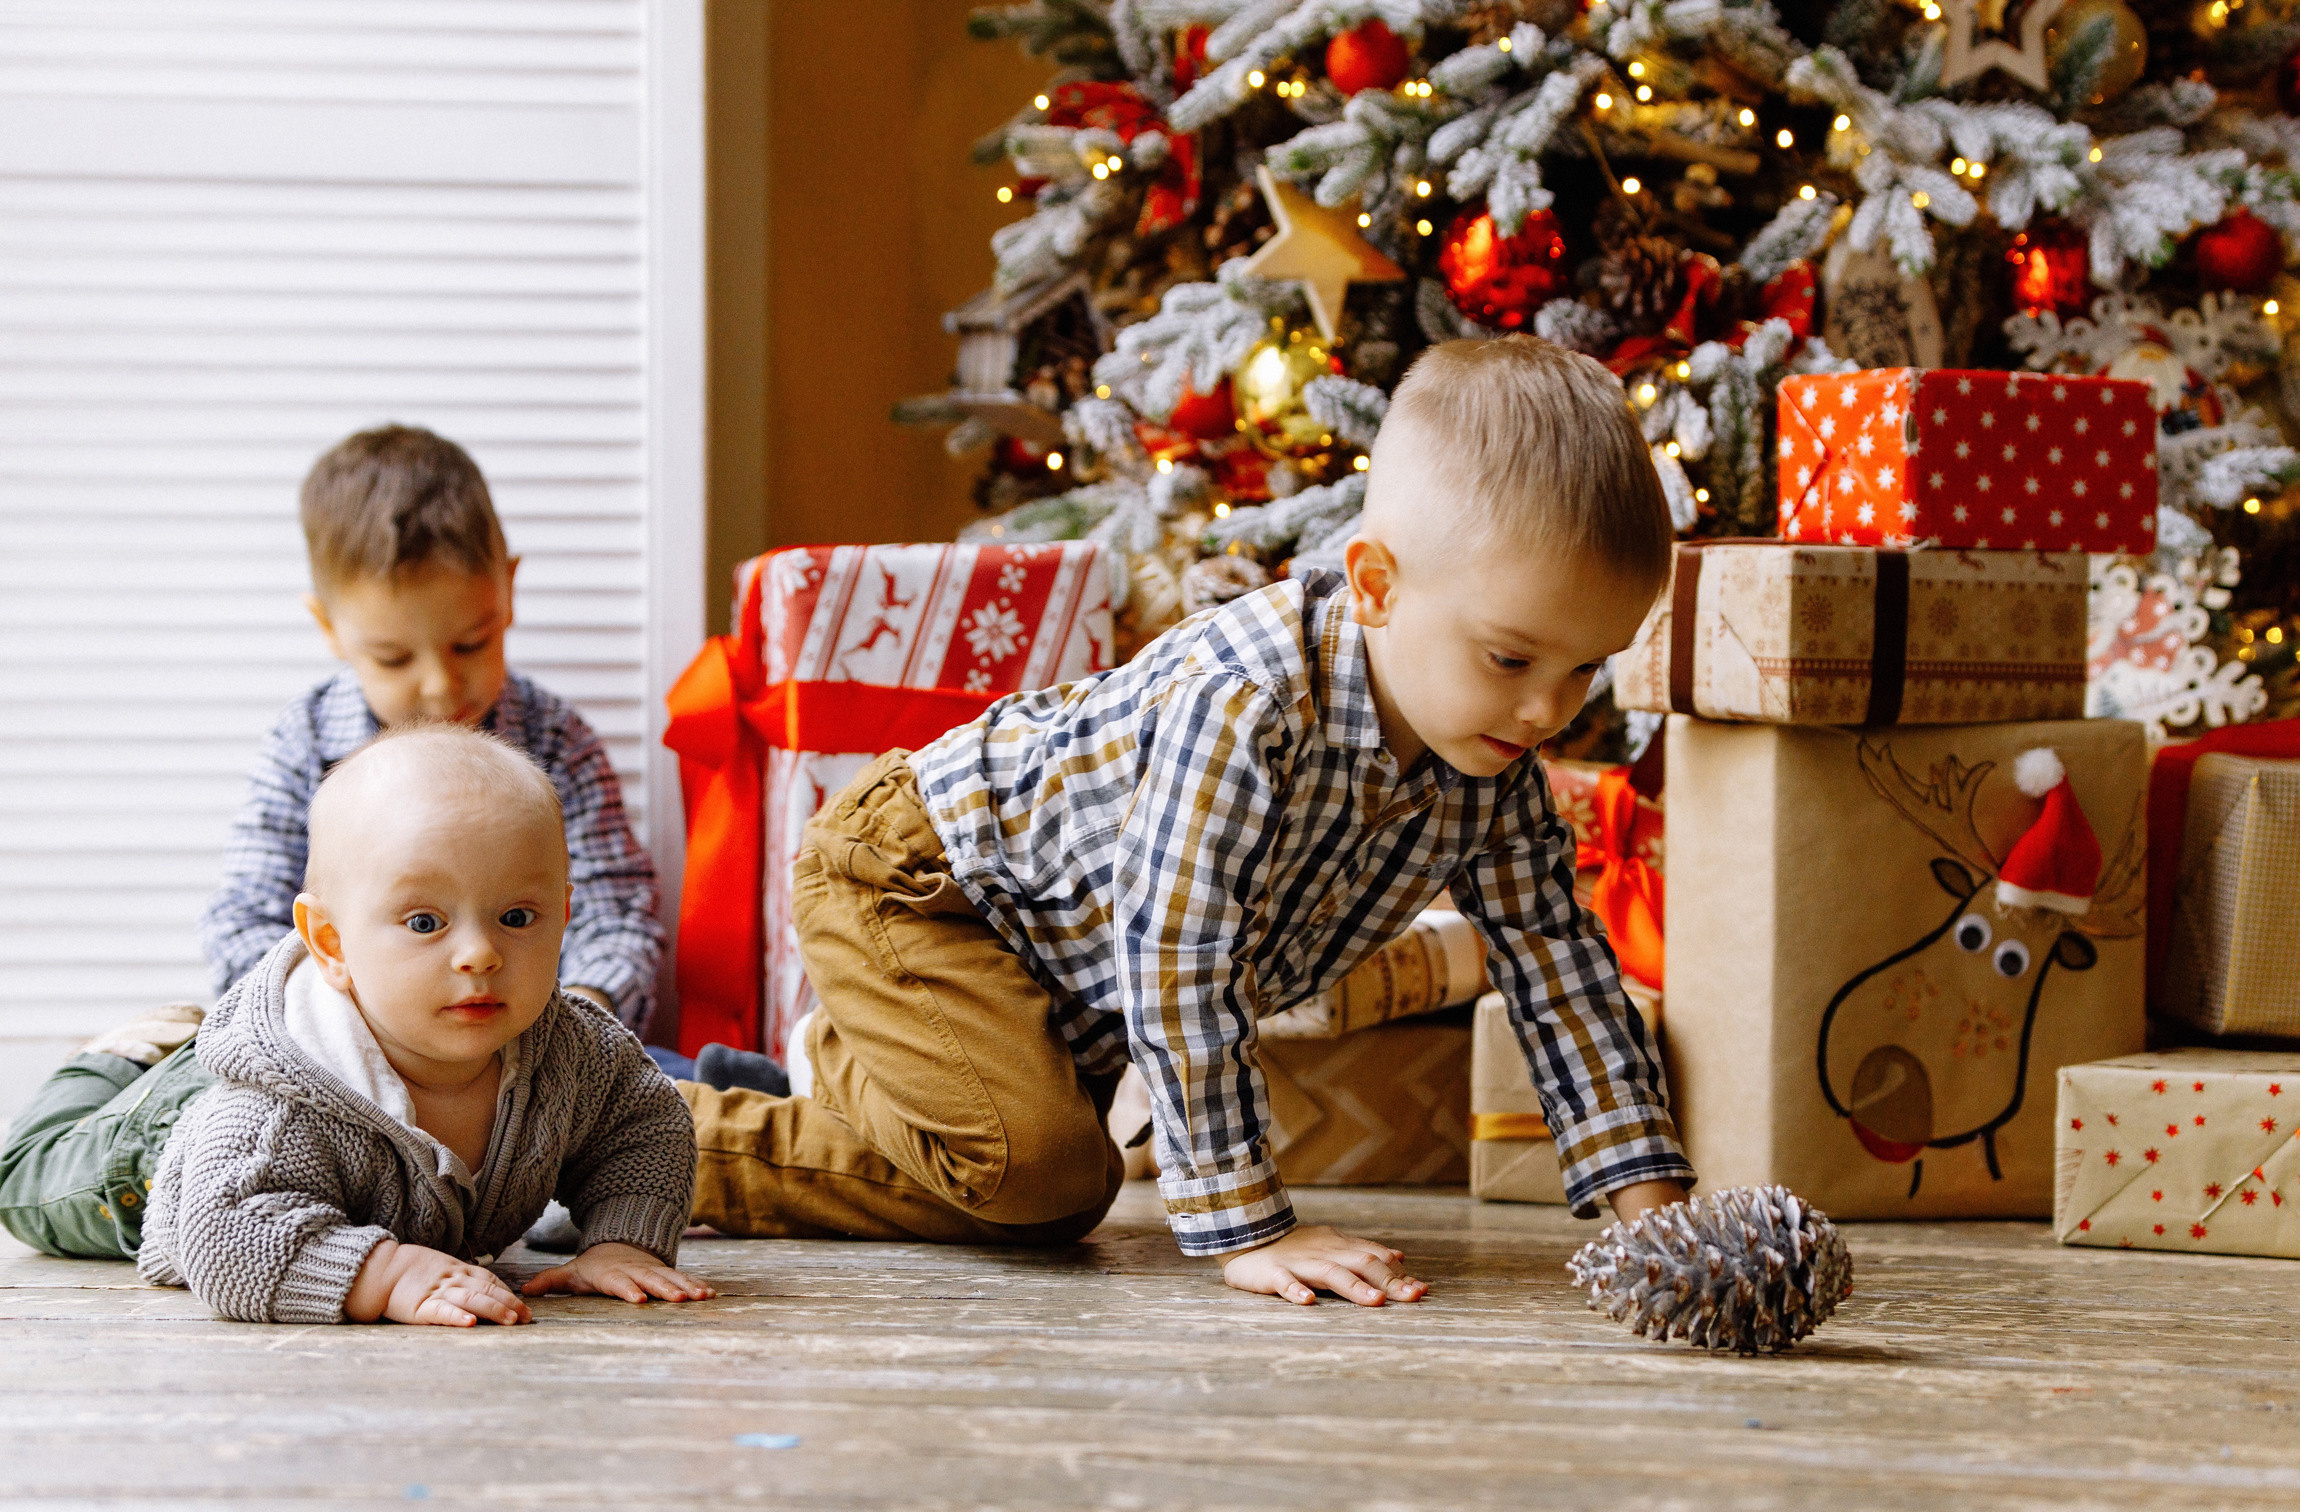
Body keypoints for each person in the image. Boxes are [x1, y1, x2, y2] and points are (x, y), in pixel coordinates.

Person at [678, 335, 1695, 1305]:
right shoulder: (1246, 701)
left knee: (1029, 1178)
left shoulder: (1490, 761)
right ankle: (653, 1133)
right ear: (1376, 587)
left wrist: (1650, 1212)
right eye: (1511, 659)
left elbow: (1556, 964)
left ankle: (859, 1073)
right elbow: (1176, 957)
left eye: (1582, 669)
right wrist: (1251, 1228)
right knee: (1042, 1183)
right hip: (917, 884)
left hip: (1046, 971)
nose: (1546, 711)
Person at [0, 724, 712, 1326]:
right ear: (333, 944)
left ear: (563, 913)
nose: (480, 953)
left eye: (517, 917)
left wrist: (625, 1241)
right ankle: (107, 1062)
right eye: (425, 921)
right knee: (23, 1179)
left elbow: (645, 1125)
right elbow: (221, 1239)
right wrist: (386, 1272)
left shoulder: (576, 1053)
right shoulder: (275, 1117)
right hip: (148, 1162)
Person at [196, 424, 667, 1040]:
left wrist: (575, 1015)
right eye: (394, 658)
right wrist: (354, 1015)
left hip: (528, 1044)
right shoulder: (305, 745)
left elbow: (618, 917)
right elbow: (243, 924)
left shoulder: (556, 741)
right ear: (329, 627)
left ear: (508, 591)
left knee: (678, 1085)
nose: (441, 685)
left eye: (472, 643)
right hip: (350, 1048)